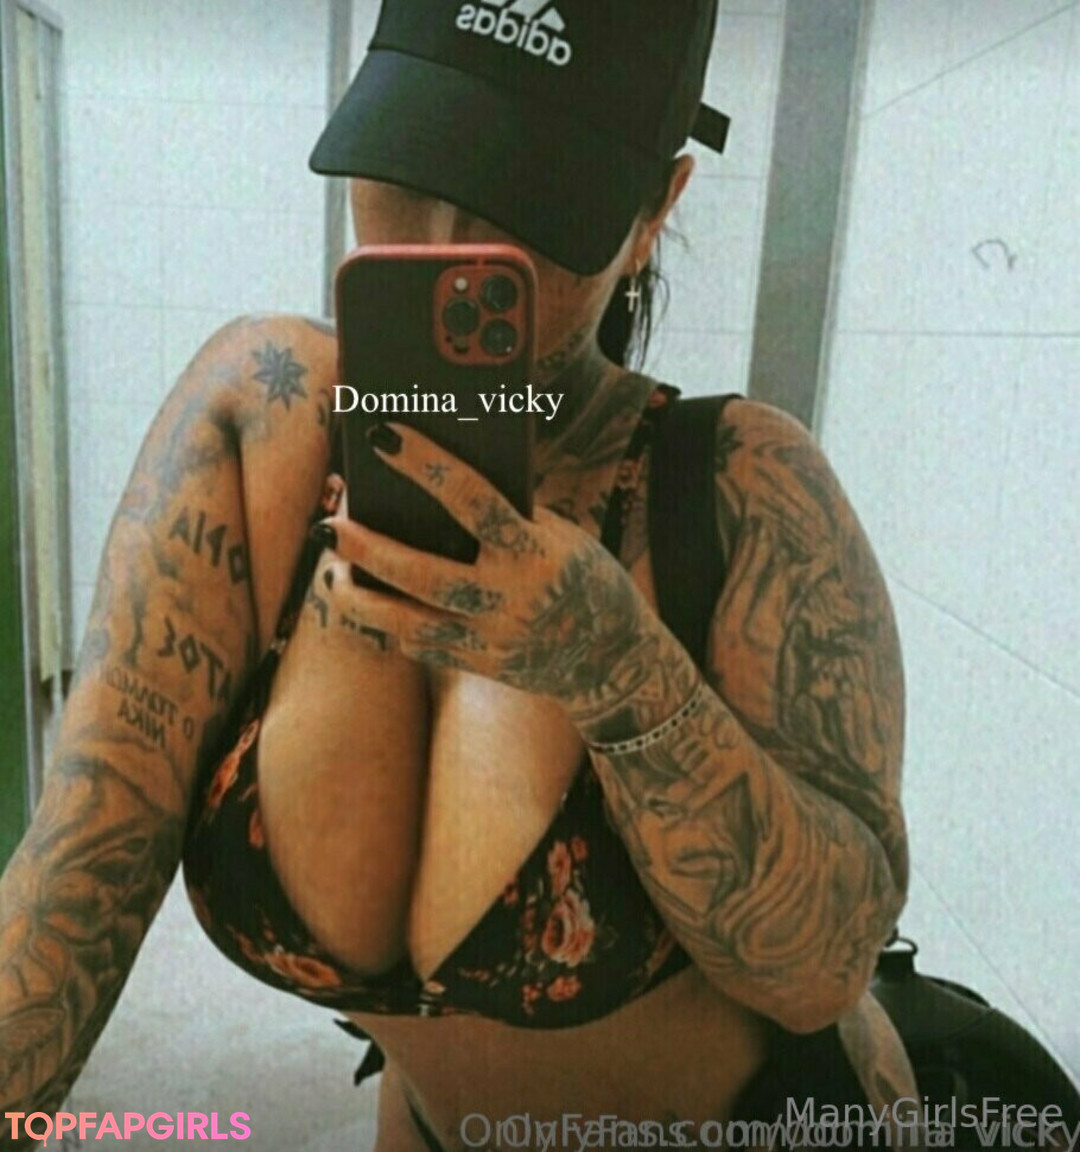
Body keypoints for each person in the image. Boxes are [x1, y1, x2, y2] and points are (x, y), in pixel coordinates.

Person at [0, 1, 917, 1149]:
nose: (443, 241)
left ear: (654, 211)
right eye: (409, 163)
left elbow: (823, 970)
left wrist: (623, 676)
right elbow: (79, 868)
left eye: (534, 198)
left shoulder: (739, 490)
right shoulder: (263, 425)